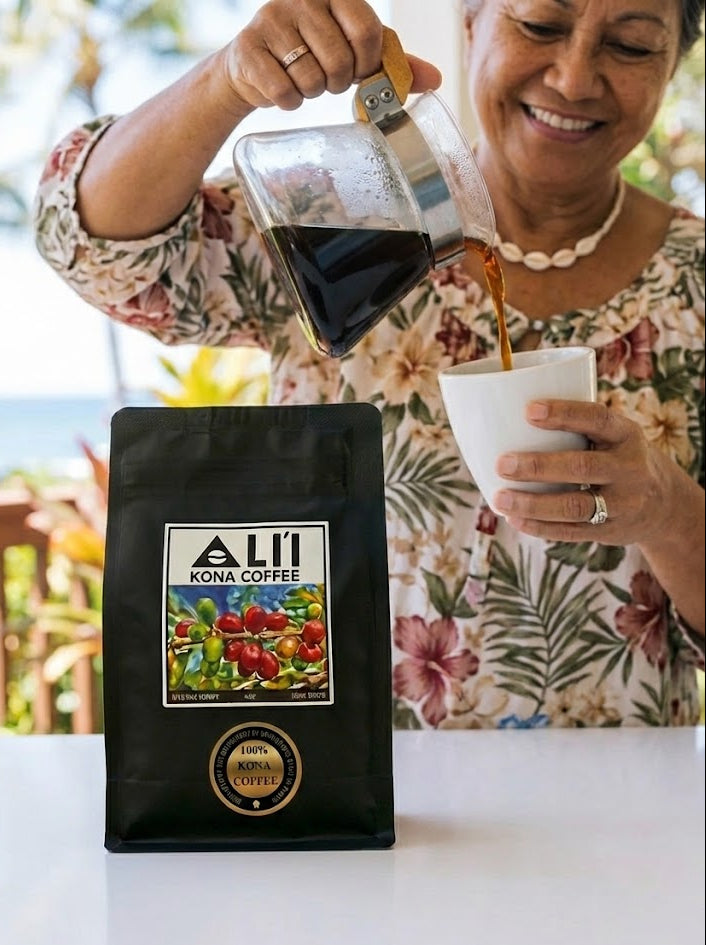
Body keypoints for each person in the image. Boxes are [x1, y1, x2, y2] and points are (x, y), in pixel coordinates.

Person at [33, 0, 704, 728]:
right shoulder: (338, 213)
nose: (574, 78)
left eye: (632, 45)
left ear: (675, 62)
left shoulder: (693, 278)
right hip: (340, 791)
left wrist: (667, 510)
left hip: (619, 813)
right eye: (540, 25)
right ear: (472, 22)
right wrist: (229, 79)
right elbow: (93, 250)